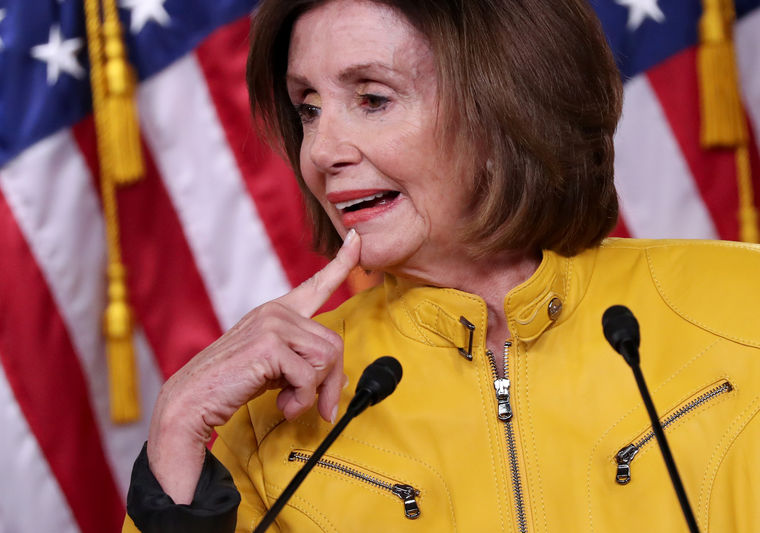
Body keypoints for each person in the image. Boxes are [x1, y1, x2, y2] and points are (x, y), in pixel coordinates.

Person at [124, 0, 760, 531]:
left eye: (372, 98)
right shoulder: (270, 410)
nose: (321, 150)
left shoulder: (744, 304)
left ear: (510, 105)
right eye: (308, 108)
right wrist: (177, 436)